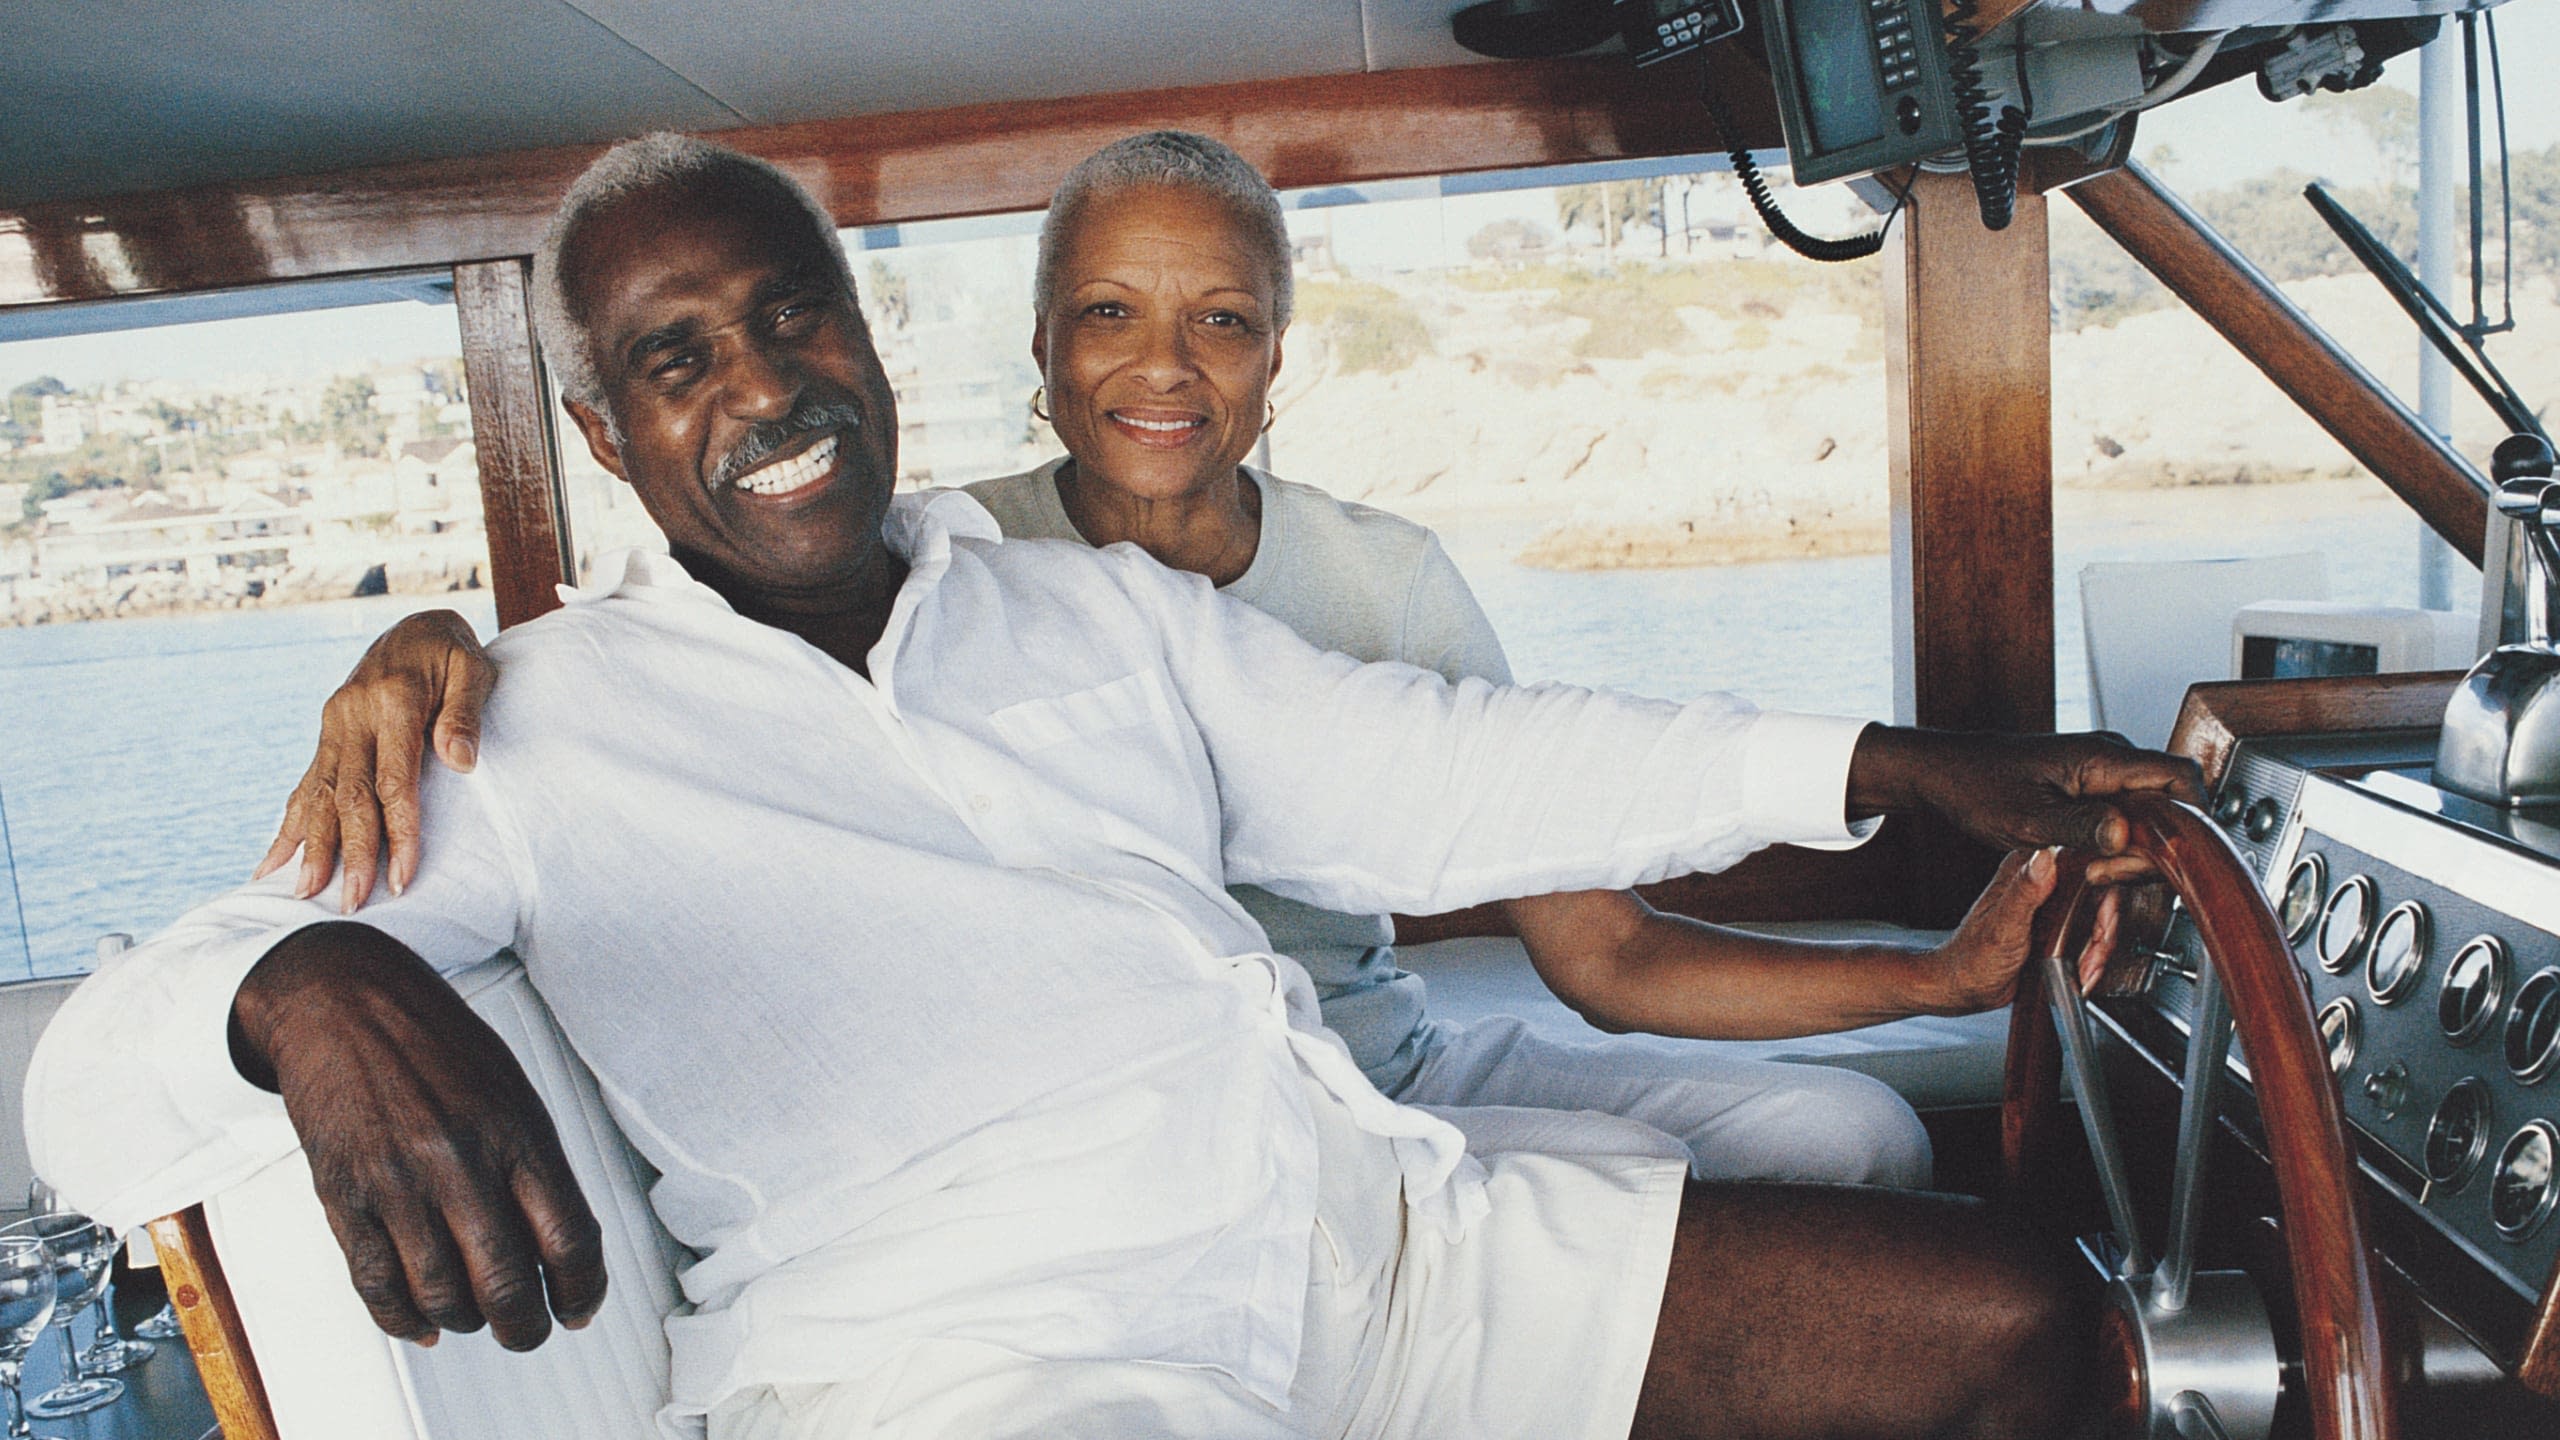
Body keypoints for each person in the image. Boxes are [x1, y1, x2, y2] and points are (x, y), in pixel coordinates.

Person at [31, 134, 2182, 1440]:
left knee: (2030, 1336)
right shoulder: (521, 731)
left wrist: (1896, 763)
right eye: (678, 361)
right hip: (993, 1357)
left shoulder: (1085, 609)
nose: (764, 389)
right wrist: (296, 990)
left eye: (792, 320)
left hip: (1360, 1238)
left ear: (870, 339)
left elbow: (1450, 775)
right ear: (603, 438)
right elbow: (85, 1091)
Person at [259, 132, 2079, 1190]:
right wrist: (431, 645)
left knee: (1851, 1147)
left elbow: (1573, 909)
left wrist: (1925, 951)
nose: (1163, 366)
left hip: (1382, 1071)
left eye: (1220, 319)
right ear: (1042, 355)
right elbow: (709, 590)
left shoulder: (1365, 578)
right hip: (1152, 1141)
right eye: (1109, 316)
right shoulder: (928, 556)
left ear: (1277, 359)